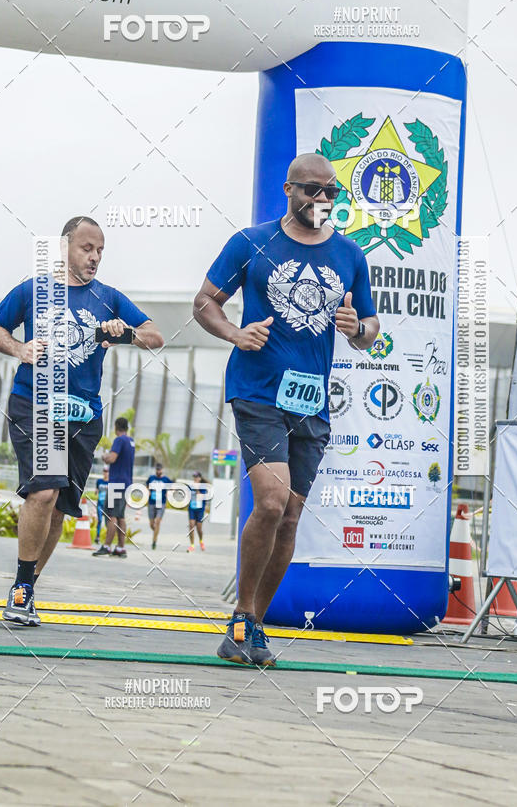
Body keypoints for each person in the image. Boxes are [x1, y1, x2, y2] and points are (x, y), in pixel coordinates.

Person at [193, 153, 379, 666]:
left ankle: (252, 624)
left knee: (291, 515)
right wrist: (235, 332)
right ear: (288, 189)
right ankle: (239, 615)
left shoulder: (350, 254)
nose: (321, 200)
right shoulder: (250, 243)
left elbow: (370, 329)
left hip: (310, 400)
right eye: (311, 190)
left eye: (331, 193)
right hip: (257, 390)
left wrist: (355, 328)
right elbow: (204, 302)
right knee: (271, 501)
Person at [0, 216, 164, 625]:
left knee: (61, 505)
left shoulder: (110, 297)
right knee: (43, 493)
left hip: (84, 417)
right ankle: (21, 588)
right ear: (65, 246)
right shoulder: (34, 289)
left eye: (100, 250)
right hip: (36, 404)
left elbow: (155, 336)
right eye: (87, 248)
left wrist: (125, 334)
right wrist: (18, 348)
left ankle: (27, 587)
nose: (95, 257)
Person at [93, 416, 135, 558]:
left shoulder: (119, 440)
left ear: (116, 426)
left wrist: (105, 456)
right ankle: (120, 548)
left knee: (111, 515)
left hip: (116, 483)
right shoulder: (131, 441)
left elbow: (112, 458)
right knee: (120, 516)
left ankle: (106, 546)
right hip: (127, 483)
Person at [146, 463, 172, 550]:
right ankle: (156, 532)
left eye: (160, 469)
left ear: (162, 469)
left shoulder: (166, 479)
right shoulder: (151, 478)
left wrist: (169, 493)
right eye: (157, 469)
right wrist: (148, 491)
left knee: (157, 521)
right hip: (151, 503)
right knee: (151, 524)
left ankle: (154, 541)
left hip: (161, 503)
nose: (158, 471)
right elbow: (147, 486)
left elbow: (172, 487)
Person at [187, 471, 209, 552]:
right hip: (192, 509)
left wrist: (196, 489)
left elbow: (201, 497)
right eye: (194, 477)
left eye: (196, 477)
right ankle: (192, 545)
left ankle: (201, 541)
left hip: (200, 510)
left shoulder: (203, 487)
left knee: (199, 528)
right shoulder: (191, 486)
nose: (195, 479)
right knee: (191, 526)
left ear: (199, 478)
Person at [94, 465, 109, 544]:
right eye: (104, 471)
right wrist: (96, 492)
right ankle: (97, 537)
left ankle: (107, 539)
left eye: (107, 471)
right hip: (100, 504)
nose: (105, 473)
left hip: (107, 506)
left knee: (107, 523)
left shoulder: (111, 482)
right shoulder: (99, 481)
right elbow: (96, 491)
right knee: (99, 520)